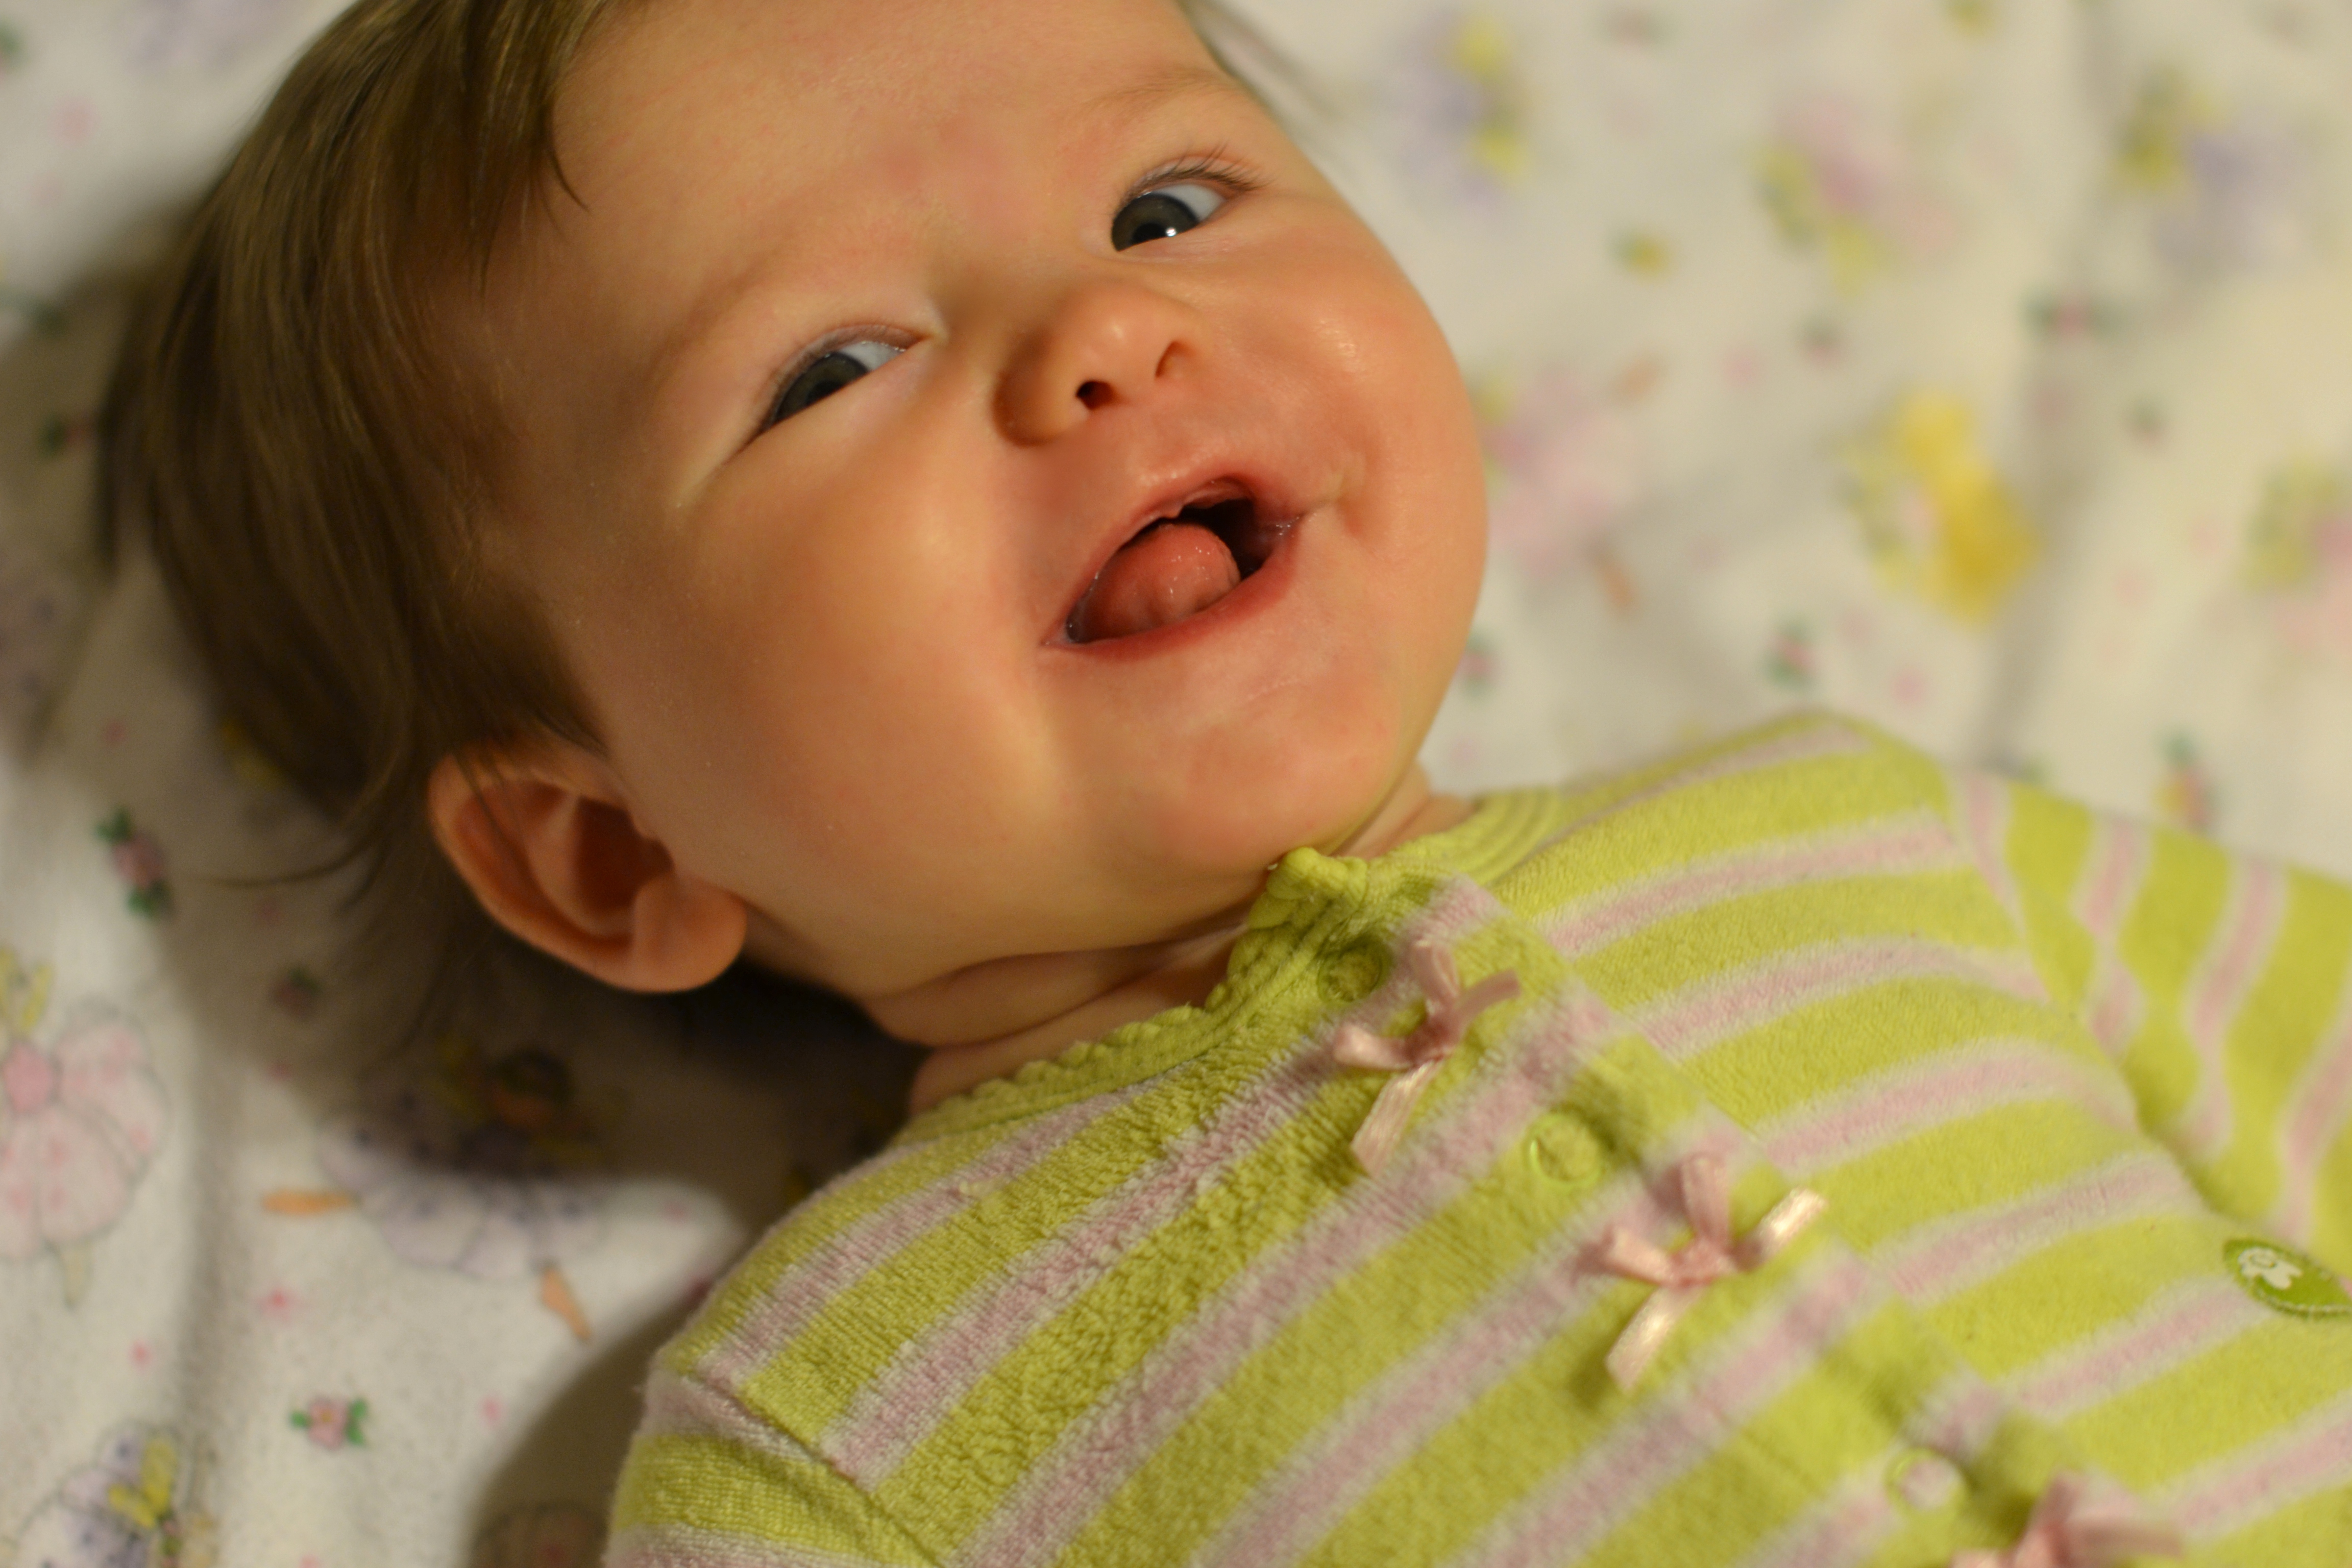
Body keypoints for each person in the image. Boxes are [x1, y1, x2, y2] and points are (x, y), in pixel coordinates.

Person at [100, 0, 2352, 1561]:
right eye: (834, 365)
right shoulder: (842, 1424)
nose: (1106, 332)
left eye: (1169, 208)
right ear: (607, 852)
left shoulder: (1846, 830)